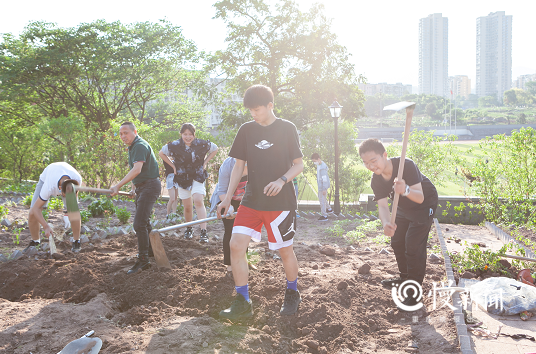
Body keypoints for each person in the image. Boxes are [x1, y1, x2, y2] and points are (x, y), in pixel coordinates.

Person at [217, 84, 304, 320]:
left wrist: (282, 180)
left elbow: (299, 164)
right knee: (236, 245)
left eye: (257, 109)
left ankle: (292, 292)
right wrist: (226, 198)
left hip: (280, 202)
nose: (253, 114)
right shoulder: (247, 130)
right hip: (251, 200)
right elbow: (238, 167)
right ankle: (243, 301)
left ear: (270, 105)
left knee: (284, 251)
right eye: (250, 110)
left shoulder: (287, 128)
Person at [359, 138, 438, 308]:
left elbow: (420, 196)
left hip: (424, 204)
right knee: (397, 241)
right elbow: (382, 205)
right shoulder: (377, 180)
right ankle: (404, 278)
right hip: (403, 207)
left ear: (384, 155)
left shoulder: (406, 166)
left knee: (413, 246)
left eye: (374, 161)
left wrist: (406, 189)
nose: (371, 166)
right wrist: (386, 223)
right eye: (366, 163)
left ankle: (414, 293)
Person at [110, 122, 160, 275]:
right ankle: (152, 252)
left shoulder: (139, 145)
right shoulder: (133, 147)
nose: (123, 136)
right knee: (144, 223)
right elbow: (137, 171)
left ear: (134, 131)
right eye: (121, 134)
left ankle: (143, 260)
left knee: (139, 224)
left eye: (126, 133)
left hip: (150, 186)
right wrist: (133, 188)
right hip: (143, 187)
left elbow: (137, 169)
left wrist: (117, 185)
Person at [158, 123, 218, 243]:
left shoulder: (202, 144)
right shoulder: (174, 145)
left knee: (198, 200)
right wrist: (173, 166)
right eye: (185, 134)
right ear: (181, 134)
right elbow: (161, 153)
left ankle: (203, 231)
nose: (188, 137)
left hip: (197, 175)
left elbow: (215, 148)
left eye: (190, 134)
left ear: (194, 134)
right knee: (187, 206)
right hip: (182, 178)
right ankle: (189, 229)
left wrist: (205, 163)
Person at [25, 162, 83, 253]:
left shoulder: (77, 179)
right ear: (60, 190)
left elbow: (74, 200)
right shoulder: (49, 187)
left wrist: (69, 213)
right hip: (47, 176)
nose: (68, 198)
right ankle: (35, 242)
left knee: (74, 212)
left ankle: (76, 241)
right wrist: (46, 226)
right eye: (66, 196)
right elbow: (36, 208)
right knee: (32, 213)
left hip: (64, 171)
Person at [210, 157, 248, 273]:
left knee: (245, 231)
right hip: (225, 199)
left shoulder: (258, 161)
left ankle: (242, 261)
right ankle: (230, 266)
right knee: (231, 230)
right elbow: (222, 190)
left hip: (246, 201)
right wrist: (229, 206)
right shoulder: (228, 164)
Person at [311, 153, 331, 221]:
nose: (314, 162)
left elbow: (324, 179)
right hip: (321, 186)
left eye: (314, 161)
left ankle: (324, 215)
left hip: (322, 187)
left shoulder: (322, 167)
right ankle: (329, 209)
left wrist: (324, 189)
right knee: (323, 199)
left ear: (318, 159)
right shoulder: (320, 165)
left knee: (322, 200)